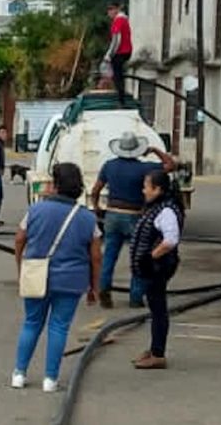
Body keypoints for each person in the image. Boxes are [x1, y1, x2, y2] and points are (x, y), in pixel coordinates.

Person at [12, 162, 101, 393]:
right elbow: (96, 256)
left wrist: (21, 266)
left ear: (56, 185)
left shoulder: (35, 210)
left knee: (31, 323)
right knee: (59, 327)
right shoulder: (87, 218)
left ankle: (19, 374)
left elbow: (20, 238)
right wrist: (94, 286)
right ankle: (50, 379)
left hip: (36, 274)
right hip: (71, 280)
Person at [89, 131, 175, 309]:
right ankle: (135, 297)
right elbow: (170, 165)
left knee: (109, 255)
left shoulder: (109, 166)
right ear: (137, 150)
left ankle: (104, 290)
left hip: (112, 214)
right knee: (139, 257)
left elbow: (96, 189)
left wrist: (97, 207)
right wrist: (154, 150)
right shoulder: (145, 169)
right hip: (135, 215)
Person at [131, 169, 185, 370]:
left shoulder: (166, 211)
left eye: (147, 186)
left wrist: (150, 256)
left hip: (159, 267)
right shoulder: (157, 207)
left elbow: (171, 240)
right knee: (155, 308)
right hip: (152, 267)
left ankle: (158, 353)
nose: (143, 190)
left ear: (158, 189)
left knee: (159, 309)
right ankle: (154, 349)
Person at [104, 2, 133, 102]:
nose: (109, 14)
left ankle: (120, 98)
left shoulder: (118, 21)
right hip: (127, 51)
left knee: (117, 74)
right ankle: (121, 94)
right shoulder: (125, 20)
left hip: (121, 51)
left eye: (110, 11)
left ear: (115, 10)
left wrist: (109, 54)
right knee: (119, 73)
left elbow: (117, 40)